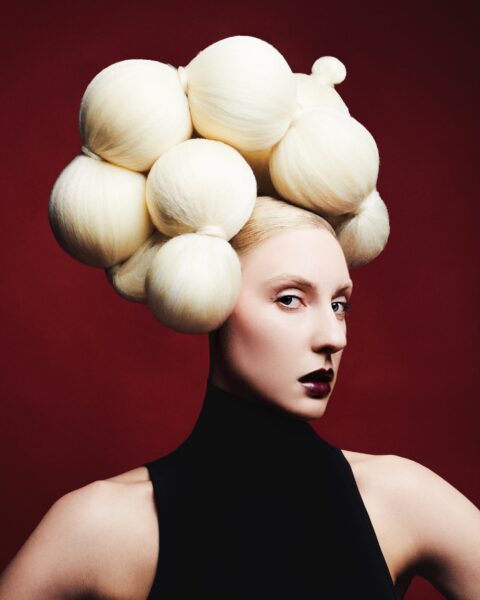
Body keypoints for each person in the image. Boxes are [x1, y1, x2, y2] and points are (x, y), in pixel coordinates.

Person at [1, 35, 479, 599]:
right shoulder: (103, 527)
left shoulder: (400, 500)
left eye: (339, 303)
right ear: (214, 299)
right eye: (290, 299)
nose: (333, 337)